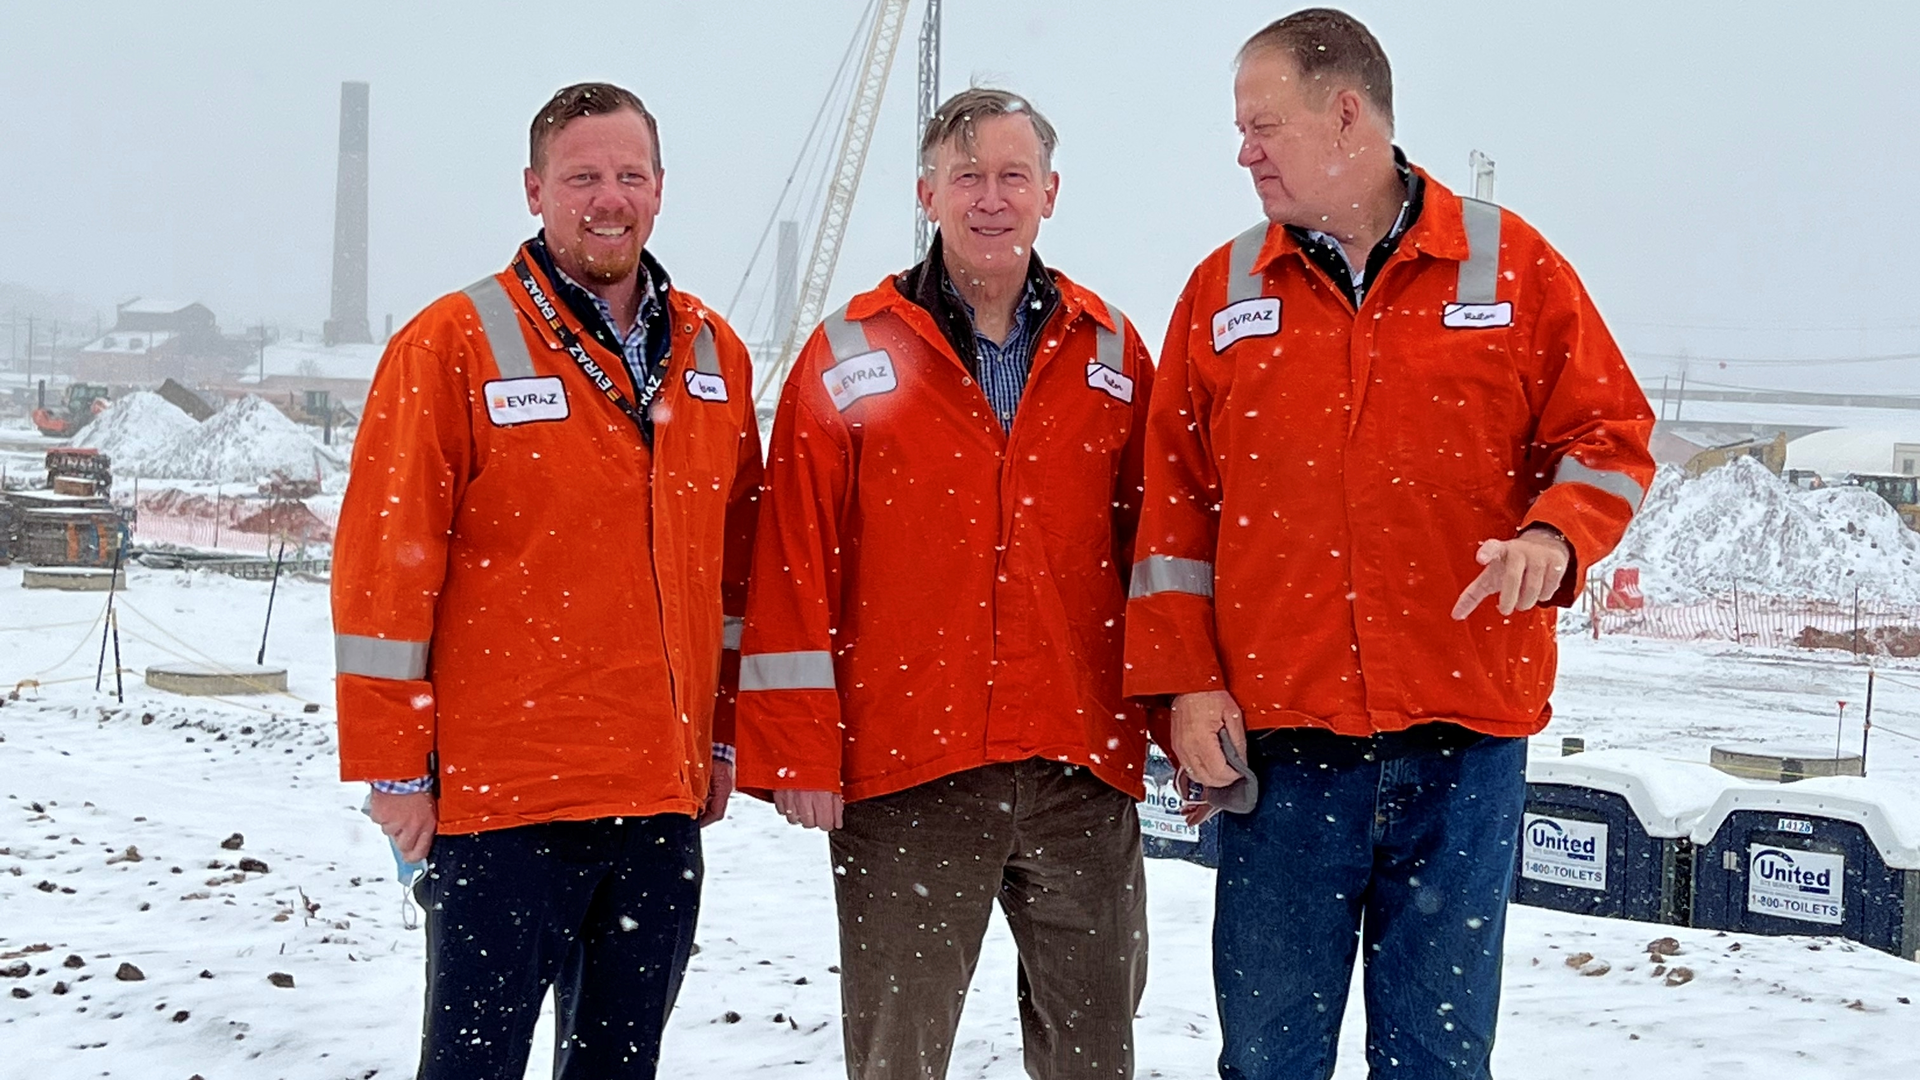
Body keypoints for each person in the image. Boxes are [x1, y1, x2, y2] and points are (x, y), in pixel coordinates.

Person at [1124, 10, 1655, 1080]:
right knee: (1271, 1056)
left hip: (1462, 748)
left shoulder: (1511, 269)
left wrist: (1557, 533)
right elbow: (1171, 515)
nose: (1245, 151)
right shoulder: (1223, 293)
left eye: (1263, 124)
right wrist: (1184, 685)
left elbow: (1609, 435)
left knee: (1439, 1058)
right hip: (1286, 753)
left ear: (1346, 113)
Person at [333, 82, 761, 1080]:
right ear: (535, 190)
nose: (607, 198)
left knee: (619, 1067)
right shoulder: (453, 344)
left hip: (657, 805)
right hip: (503, 809)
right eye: (582, 177)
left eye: (628, 175)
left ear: (660, 190)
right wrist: (395, 772)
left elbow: (733, 577)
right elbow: (383, 575)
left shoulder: (712, 355)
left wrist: (725, 738)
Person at [735, 87, 1155, 1080]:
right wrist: (799, 748)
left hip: (1078, 766)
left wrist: (1173, 709)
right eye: (968, 176)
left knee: (1096, 1048)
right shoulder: (849, 355)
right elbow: (794, 558)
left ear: (1051, 192)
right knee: (897, 1053)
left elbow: (1158, 551)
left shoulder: (1112, 354)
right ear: (928, 193)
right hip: (911, 768)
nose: (991, 198)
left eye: (1014, 176)